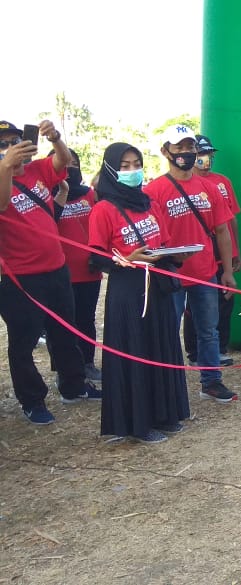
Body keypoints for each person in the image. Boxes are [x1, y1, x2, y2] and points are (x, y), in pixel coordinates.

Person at [88, 142, 191, 444]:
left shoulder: (149, 203)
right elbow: (95, 257)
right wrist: (128, 259)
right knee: (137, 351)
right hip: (128, 292)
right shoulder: (103, 210)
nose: (133, 171)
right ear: (110, 169)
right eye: (125, 166)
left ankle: (165, 414)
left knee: (162, 346)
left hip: (157, 286)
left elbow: (163, 243)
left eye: (136, 164)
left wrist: (177, 255)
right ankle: (139, 424)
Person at [0, 119, 100, 424]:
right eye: (4, 143)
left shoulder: (37, 171)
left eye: (16, 140)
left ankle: (72, 385)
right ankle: (32, 400)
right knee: (24, 342)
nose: (13, 147)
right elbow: (2, 204)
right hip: (19, 279)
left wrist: (55, 138)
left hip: (57, 269)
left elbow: (62, 161)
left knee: (65, 332)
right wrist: (6, 167)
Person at [143, 124, 238, 403]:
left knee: (208, 330)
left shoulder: (209, 188)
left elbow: (222, 230)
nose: (185, 152)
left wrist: (228, 271)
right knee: (168, 331)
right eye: (179, 147)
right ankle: (168, 384)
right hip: (170, 275)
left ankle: (211, 381)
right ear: (165, 151)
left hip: (206, 273)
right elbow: (149, 233)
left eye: (189, 146)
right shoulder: (154, 190)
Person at [187, 134, 241, 366]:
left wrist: (235, 253)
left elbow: (232, 220)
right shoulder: (185, 183)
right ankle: (193, 352)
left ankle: (220, 348)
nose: (205, 159)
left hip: (224, 253)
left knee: (225, 300)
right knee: (195, 307)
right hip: (198, 255)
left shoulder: (223, 182)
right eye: (200, 154)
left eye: (209, 154)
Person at [54, 149, 103, 382]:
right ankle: (65, 372)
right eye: (66, 163)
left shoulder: (90, 195)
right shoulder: (49, 197)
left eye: (74, 163)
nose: (70, 168)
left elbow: (100, 227)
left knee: (86, 320)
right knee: (62, 325)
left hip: (88, 271)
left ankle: (87, 363)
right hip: (60, 273)